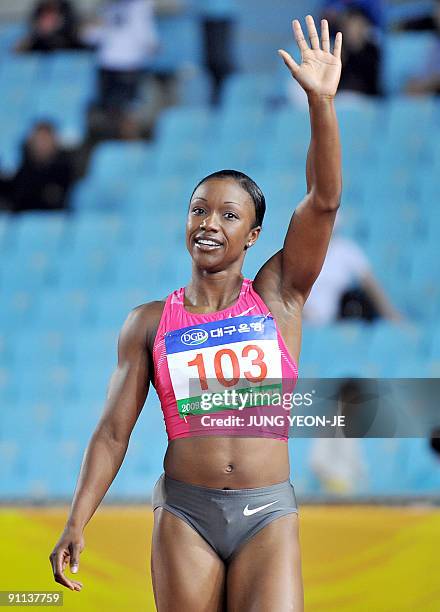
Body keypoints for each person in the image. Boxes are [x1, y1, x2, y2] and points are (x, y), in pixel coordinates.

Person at [49, 16, 343, 610]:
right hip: (186, 514)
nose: (210, 223)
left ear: (254, 234)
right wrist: (77, 519)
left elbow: (324, 199)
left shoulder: (280, 294)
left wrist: (320, 104)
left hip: (268, 512)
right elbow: (112, 431)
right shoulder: (149, 322)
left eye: (228, 215)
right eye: (199, 210)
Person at [303, 217, 402, 325]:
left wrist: (394, 317)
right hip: (303, 322)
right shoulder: (301, 251)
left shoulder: (347, 250)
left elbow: (371, 285)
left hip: (335, 324)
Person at [0, 121, 75, 213]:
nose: (42, 144)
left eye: (45, 139)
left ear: (54, 142)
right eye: (39, 140)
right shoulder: (24, 170)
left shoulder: (65, 171)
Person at [15, 0, 83, 53]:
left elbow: (73, 25)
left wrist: (56, 26)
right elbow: (33, 26)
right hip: (42, 42)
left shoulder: (67, 8)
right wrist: (42, 29)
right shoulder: (40, 8)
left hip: (66, 41)